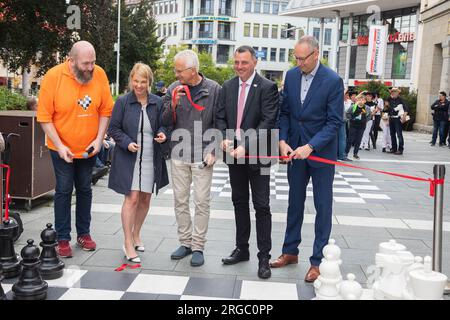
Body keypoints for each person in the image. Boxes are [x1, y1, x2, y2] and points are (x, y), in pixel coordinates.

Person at [272, 36, 343, 283]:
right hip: (294, 152)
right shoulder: (291, 76)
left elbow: (335, 122)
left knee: (323, 206)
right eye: (296, 57)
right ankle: (290, 251)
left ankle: (318, 261)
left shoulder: (333, 80)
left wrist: (310, 146)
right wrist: (282, 140)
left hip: (321, 154)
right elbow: (285, 112)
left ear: (316, 54)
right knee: (294, 202)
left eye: (302, 58)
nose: (298, 62)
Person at [37, 41, 113, 258]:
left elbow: (105, 110)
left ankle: (84, 233)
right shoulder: (54, 77)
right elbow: (44, 117)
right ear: (71, 61)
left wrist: (99, 140)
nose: (91, 68)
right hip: (61, 147)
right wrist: (60, 146)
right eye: (86, 63)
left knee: (85, 188)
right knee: (63, 188)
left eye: (93, 62)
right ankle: (62, 238)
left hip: (88, 148)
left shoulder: (99, 74)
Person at [216, 46, 279, 279]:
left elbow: (268, 121)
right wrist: (223, 137)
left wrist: (246, 145)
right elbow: (220, 116)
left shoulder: (268, 87)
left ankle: (264, 258)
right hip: (234, 156)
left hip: (258, 154)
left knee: (262, 205)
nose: (239, 66)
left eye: (244, 62)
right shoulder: (228, 86)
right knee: (239, 202)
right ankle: (242, 249)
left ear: (254, 62)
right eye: (236, 62)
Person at [161, 50, 221, 267]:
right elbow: (165, 121)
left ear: (193, 70)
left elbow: (219, 122)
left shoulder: (214, 89)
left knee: (202, 202)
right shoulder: (172, 89)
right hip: (178, 153)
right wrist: (173, 104)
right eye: (175, 70)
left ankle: (198, 246)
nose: (176, 74)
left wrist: (213, 150)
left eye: (179, 71)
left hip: (203, 154)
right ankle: (185, 242)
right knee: (180, 201)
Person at [108, 62, 169, 263]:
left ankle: (136, 234)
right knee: (132, 198)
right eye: (136, 81)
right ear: (131, 80)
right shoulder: (123, 102)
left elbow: (163, 125)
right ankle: (127, 242)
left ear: (149, 82)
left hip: (151, 156)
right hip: (129, 157)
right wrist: (127, 143)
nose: (139, 85)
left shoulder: (157, 102)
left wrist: (162, 133)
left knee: (145, 199)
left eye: (143, 81)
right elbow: (114, 129)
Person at [345, 93, 367, 160]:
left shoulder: (366, 108)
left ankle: (355, 154)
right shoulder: (353, 106)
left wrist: (364, 120)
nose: (361, 101)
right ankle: (346, 153)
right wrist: (351, 118)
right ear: (357, 100)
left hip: (362, 126)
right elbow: (347, 113)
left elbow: (369, 115)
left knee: (358, 140)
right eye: (360, 99)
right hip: (353, 125)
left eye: (363, 100)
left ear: (365, 101)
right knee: (350, 140)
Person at [387, 87, 409, 155]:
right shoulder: (390, 99)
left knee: (399, 134)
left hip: (397, 119)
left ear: (398, 92)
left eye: (395, 92)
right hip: (391, 118)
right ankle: (394, 149)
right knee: (392, 134)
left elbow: (406, 109)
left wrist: (404, 117)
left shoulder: (401, 99)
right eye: (392, 92)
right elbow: (388, 109)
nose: (393, 93)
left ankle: (400, 149)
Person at [338, 89, 351, 161]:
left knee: (339, 139)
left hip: (337, 120)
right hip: (341, 121)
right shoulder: (339, 100)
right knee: (342, 138)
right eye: (346, 94)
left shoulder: (335, 99)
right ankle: (342, 155)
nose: (347, 96)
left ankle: (339, 155)